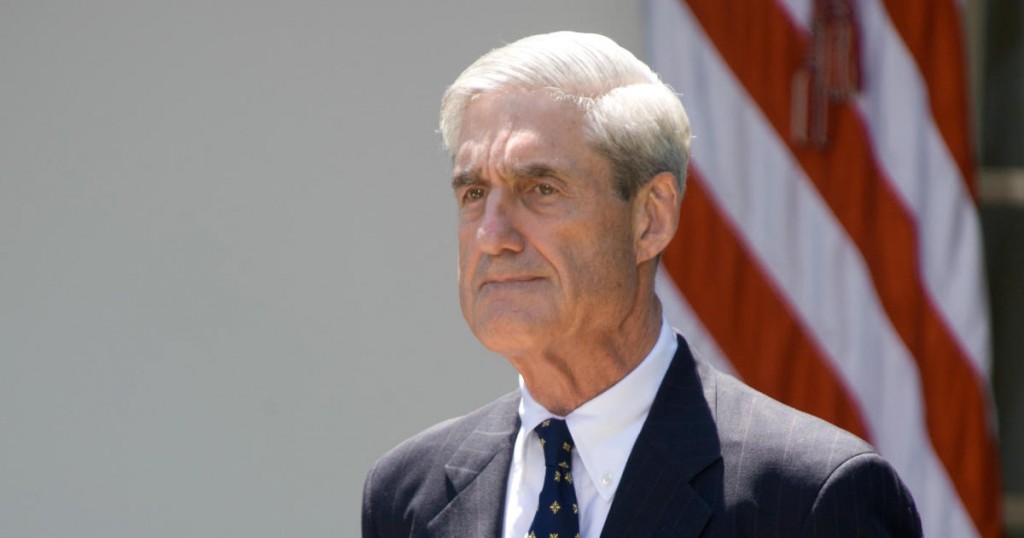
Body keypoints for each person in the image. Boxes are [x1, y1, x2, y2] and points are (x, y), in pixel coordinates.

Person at [362, 31, 921, 537]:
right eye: (473, 193)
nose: (491, 235)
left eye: (541, 189)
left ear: (650, 218)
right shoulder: (410, 493)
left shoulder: (809, 497)